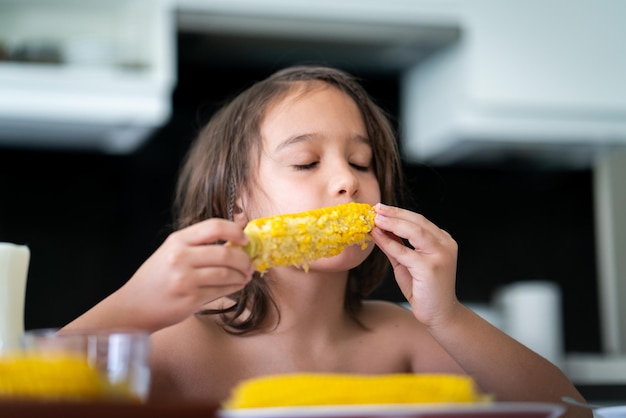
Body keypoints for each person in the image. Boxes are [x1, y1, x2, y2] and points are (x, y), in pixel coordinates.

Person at [64, 65, 589, 416]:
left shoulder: (401, 338)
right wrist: (136, 305)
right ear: (234, 204)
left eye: (361, 163)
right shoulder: (180, 344)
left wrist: (446, 316)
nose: (346, 180)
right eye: (306, 162)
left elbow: (570, 411)